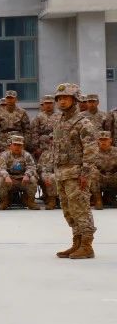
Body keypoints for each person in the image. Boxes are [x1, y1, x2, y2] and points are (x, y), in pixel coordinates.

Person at [51, 83, 100, 259]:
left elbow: (91, 149)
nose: (62, 101)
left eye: (66, 98)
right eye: (59, 98)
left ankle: (87, 245)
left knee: (80, 208)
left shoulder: (83, 123)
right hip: (62, 172)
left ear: (75, 99)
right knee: (68, 210)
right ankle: (76, 242)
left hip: (76, 173)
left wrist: (85, 173)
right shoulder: (59, 121)